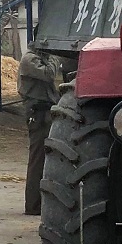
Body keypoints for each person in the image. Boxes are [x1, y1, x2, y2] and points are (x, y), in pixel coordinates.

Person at [19, 50, 75, 215]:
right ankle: (33, 205)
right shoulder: (30, 59)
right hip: (37, 113)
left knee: (48, 157)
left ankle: (42, 202)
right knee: (37, 159)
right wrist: (56, 57)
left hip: (46, 110)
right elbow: (49, 74)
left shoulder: (42, 58)